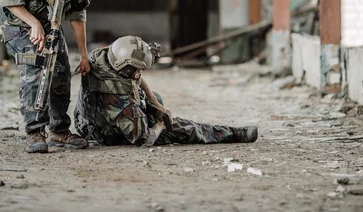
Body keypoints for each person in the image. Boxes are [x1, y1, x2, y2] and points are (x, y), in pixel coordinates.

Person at [0, 0, 113, 153]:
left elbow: (77, 15)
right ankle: (34, 132)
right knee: (36, 66)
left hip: (48, 18)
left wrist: (84, 55)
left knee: (59, 70)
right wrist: (34, 24)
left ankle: (59, 130)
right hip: (16, 16)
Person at [74, 36, 259, 146]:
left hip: (88, 119)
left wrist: (155, 105)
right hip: (103, 132)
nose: (140, 73)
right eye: (138, 69)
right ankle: (231, 134)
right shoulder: (120, 101)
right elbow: (144, 140)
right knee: (181, 129)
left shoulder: (105, 60)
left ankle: (154, 114)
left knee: (158, 101)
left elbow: (137, 79)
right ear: (127, 69)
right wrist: (161, 124)